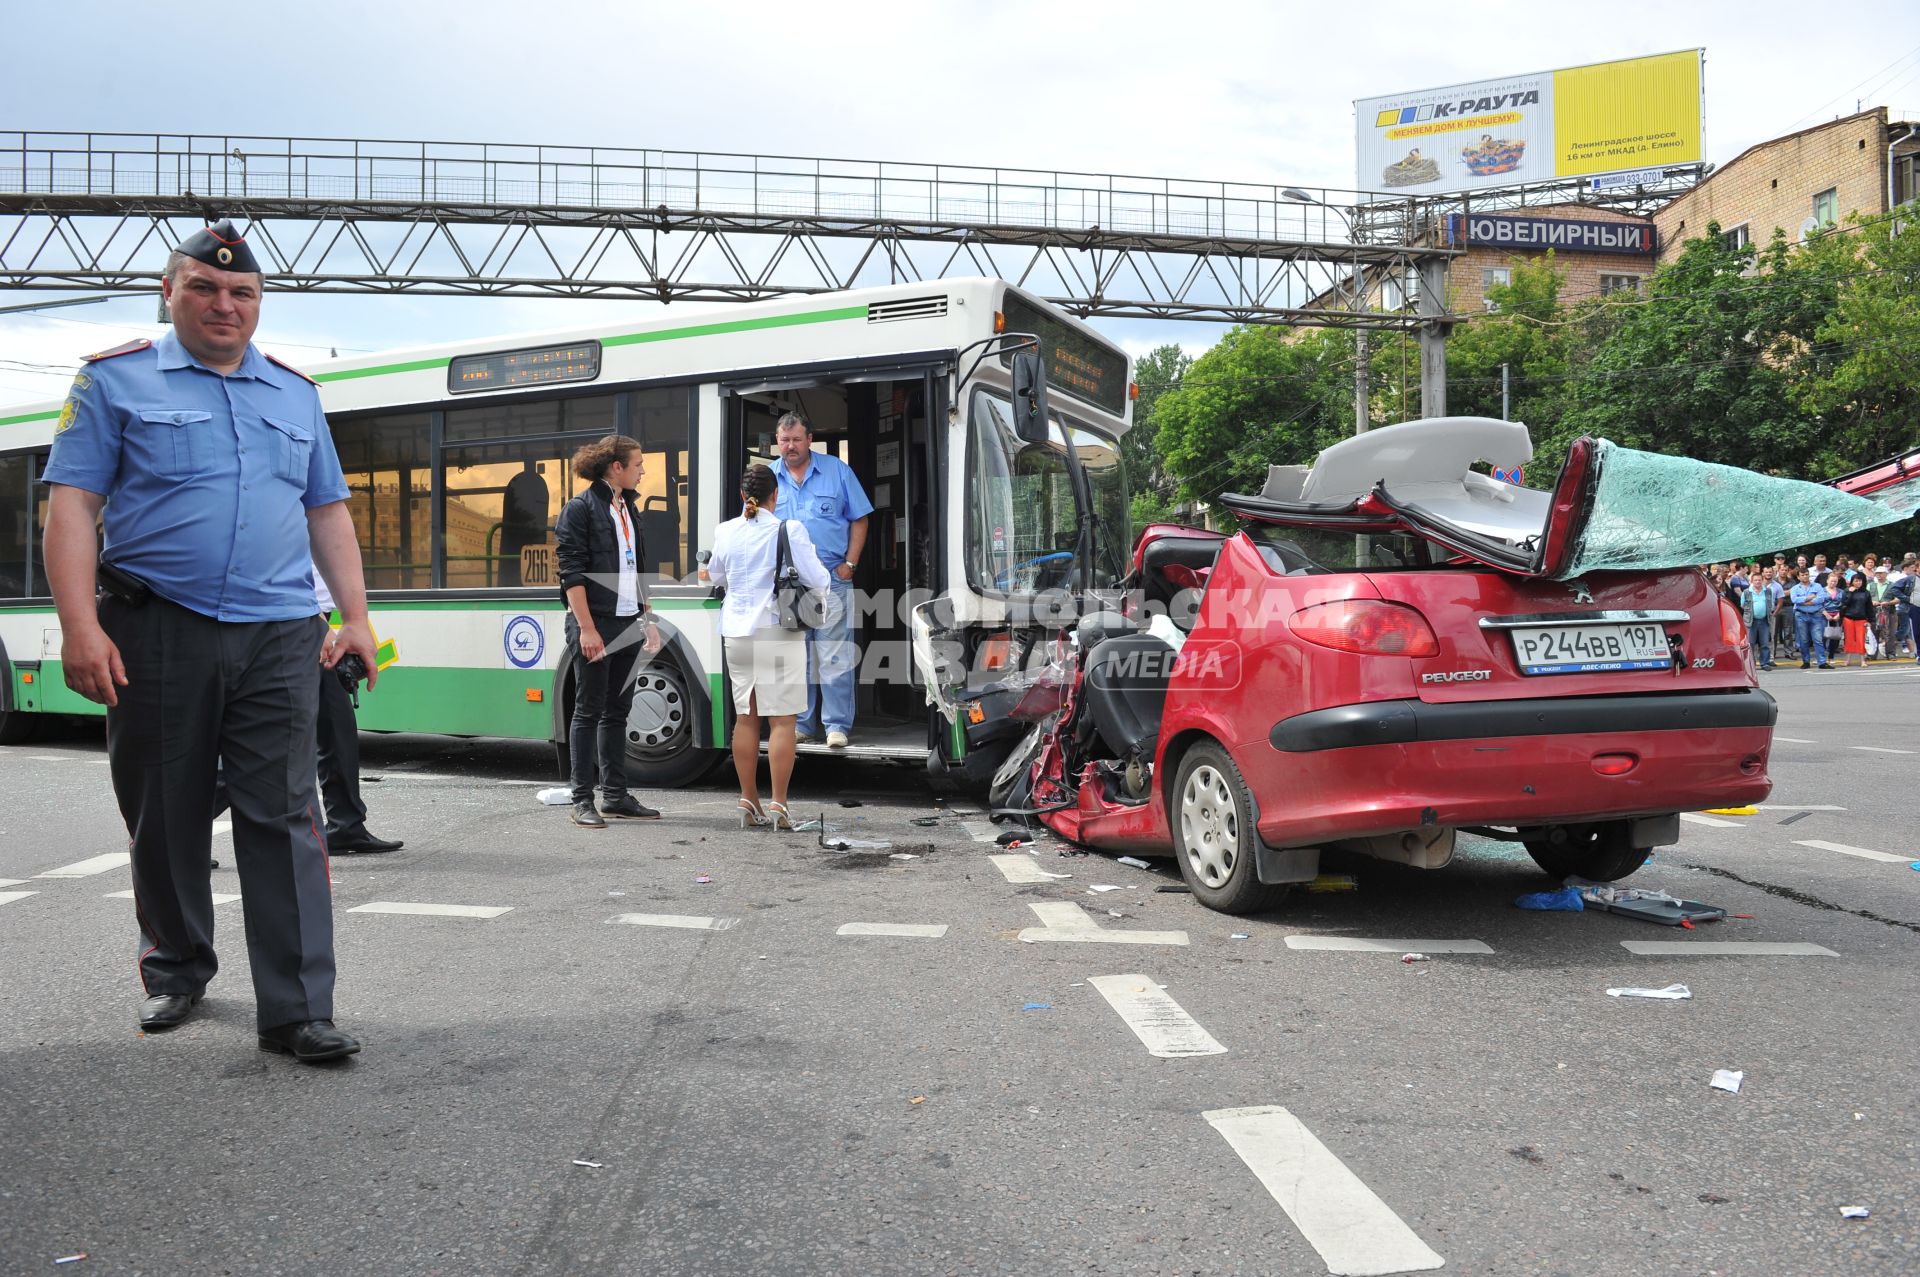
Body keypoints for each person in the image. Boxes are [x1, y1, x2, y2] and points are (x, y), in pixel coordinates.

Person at [41, 221, 373, 1062]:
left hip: (279, 634)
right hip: (155, 626)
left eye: (243, 293)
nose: (225, 304)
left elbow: (326, 511)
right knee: (164, 809)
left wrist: (357, 618)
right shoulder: (111, 380)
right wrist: (81, 626)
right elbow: (73, 504)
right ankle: (178, 966)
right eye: (205, 287)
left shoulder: (296, 393)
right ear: (169, 292)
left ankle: (297, 1007)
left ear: (258, 304)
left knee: (286, 813)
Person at [707, 464, 834, 830]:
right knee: (782, 721)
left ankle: (748, 799)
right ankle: (779, 804)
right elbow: (817, 577)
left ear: (741, 496)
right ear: (774, 496)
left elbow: (716, 575)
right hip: (777, 631)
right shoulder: (788, 528)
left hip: (736, 635)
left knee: (746, 718)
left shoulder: (725, 530)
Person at [555, 435, 663, 828]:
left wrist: (646, 620)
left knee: (618, 711)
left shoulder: (628, 510)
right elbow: (572, 573)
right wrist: (586, 629)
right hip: (595, 623)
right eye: (638, 463)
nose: (643, 470)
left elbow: (637, 568)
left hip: (627, 621)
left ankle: (615, 797)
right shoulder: (579, 509)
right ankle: (582, 798)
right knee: (588, 709)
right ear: (616, 467)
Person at [771, 411, 873, 750]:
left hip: (833, 579)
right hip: (788, 584)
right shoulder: (770, 477)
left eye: (796, 439)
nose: (790, 446)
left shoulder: (837, 471)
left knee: (834, 656)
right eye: (784, 440)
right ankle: (802, 724)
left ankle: (836, 726)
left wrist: (850, 564)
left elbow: (860, 519)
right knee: (797, 657)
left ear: (809, 439)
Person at [311, 568, 402, 852]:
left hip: (317, 620)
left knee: (338, 730)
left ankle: (345, 825)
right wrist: (312, 620)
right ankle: (177, 832)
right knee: (266, 741)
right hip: (294, 620)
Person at [1788, 568, 1831, 669]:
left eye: (1806, 574)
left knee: (1818, 639)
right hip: (1801, 615)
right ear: (1798, 577)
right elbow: (1794, 599)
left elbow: (1821, 598)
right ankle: (1806, 661)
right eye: (1802, 575)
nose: (1805, 576)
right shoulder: (1795, 588)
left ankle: (1822, 662)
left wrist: (1806, 602)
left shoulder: (1817, 586)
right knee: (1804, 640)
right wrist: (1810, 597)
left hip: (1816, 614)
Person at [1839, 570, 1873, 668]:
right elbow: (1844, 604)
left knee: (1861, 639)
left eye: (1860, 581)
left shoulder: (1866, 593)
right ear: (1852, 582)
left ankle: (1862, 660)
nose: (1858, 583)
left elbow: (1869, 607)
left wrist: (1870, 620)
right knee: (1848, 639)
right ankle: (1847, 660)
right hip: (1848, 618)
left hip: (1861, 619)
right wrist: (1850, 593)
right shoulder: (1846, 591)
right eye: (1856, 581)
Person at [1744, 565, 1775, 670]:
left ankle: (1764, 663)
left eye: (1759, 580)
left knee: (1765, 643)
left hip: (1764, 620)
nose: (1757, 582)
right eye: (1755, 580)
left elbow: (1770, 604)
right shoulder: (1747, 592)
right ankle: (1751, 664)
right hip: (1751, 621)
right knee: (1751, 643)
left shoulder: (1768, 591)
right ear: (1752, 581)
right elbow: (1742, 605)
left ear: (1762, 580)